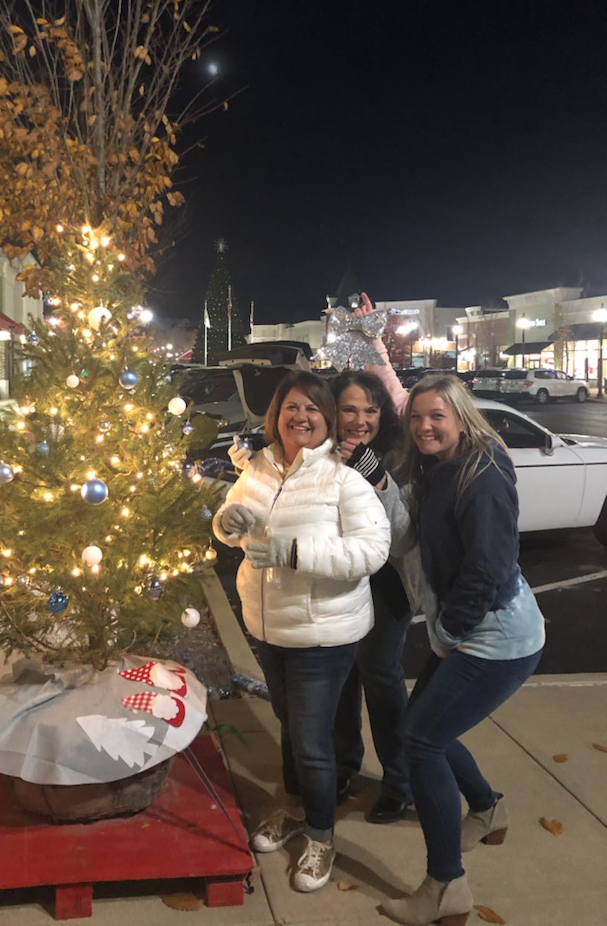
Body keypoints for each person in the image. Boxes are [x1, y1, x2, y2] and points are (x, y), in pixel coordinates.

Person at [212, 370, 391, 892]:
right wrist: (228, 523)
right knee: (291, 726)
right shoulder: (261, 468)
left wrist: (293, 553)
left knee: (312, 741)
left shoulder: (343, 478)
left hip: (323, 632)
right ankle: (294, 806)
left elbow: (370, 552)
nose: (301, 417)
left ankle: (320, 835)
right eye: (291, 407)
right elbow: (229, 518)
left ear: (327, 420)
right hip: (268, 627)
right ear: (277, 416)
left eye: (312, 409)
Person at [377, 374, 545, 926]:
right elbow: (407, 404)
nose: (425, 426)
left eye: (437, 417)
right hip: (473, 628)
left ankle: (445, 884)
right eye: (418, 417)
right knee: (422, 727)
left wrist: (450, 629)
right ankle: (488, 808)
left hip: (497, 637)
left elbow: (489, 568)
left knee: (420, 742)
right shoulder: (443, 461)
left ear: (461, 418)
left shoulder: (482, 475)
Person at [331, 370, 422, 822]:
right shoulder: (323, 452)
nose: (360, 419)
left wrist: (379, 480)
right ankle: (344, 765)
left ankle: (399, 780)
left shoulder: (401, 455)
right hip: (339, 580)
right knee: (342, 677)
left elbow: (404, 538)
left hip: (387, 584)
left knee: (381, 677)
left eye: (370, 409)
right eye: (349, 408)